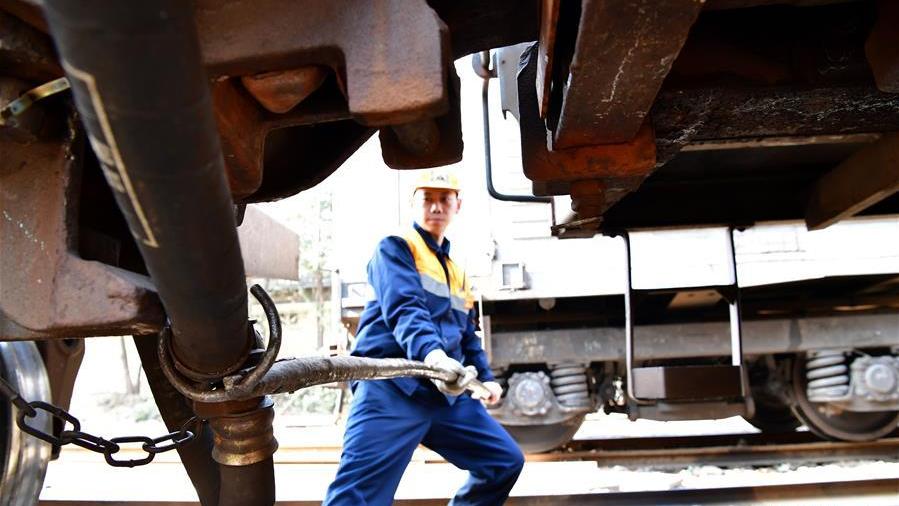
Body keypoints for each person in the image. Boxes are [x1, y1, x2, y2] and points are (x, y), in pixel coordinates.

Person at [324, 169, 525, 505]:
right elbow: (405, 308)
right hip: (391, 387)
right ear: (413, 204)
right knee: (357, 496)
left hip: (443, 396)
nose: (436, 207)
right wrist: (433, 355)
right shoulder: (395, 248)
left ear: (457, 205)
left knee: (503, 462)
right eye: (427, 199)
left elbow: (467, 335)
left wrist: (486, 379)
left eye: (444, 199)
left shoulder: (457, 273)